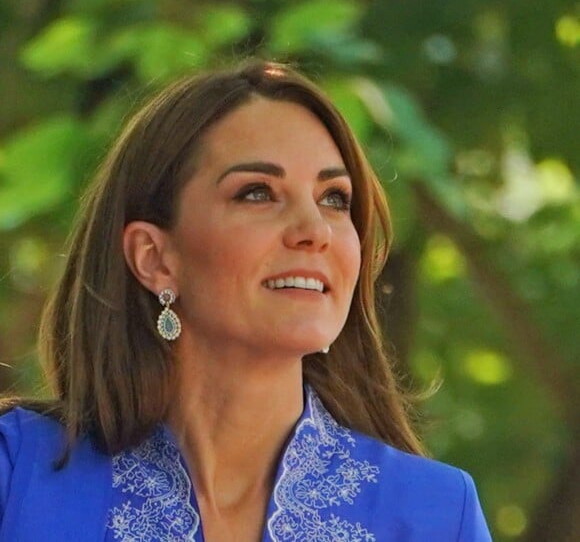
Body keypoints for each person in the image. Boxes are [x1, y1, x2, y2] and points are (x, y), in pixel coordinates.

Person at [0, 60, 491, 541]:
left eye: (334, 199)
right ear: (154, 258)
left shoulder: (438, 514)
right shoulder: (15, 472)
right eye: (257, 193)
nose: (314, 231)